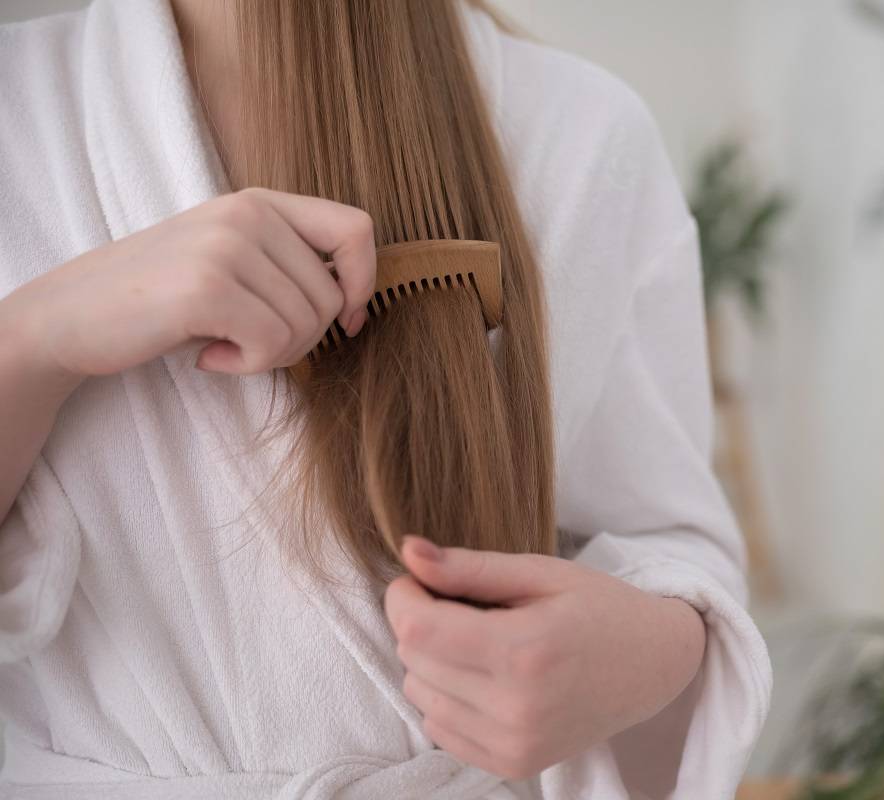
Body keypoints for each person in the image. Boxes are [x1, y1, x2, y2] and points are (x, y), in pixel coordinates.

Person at [0, 1, 772, 798]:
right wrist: (34, 338)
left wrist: (635, 654)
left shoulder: (583, 130)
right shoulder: (18, 103)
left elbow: (678, 548)